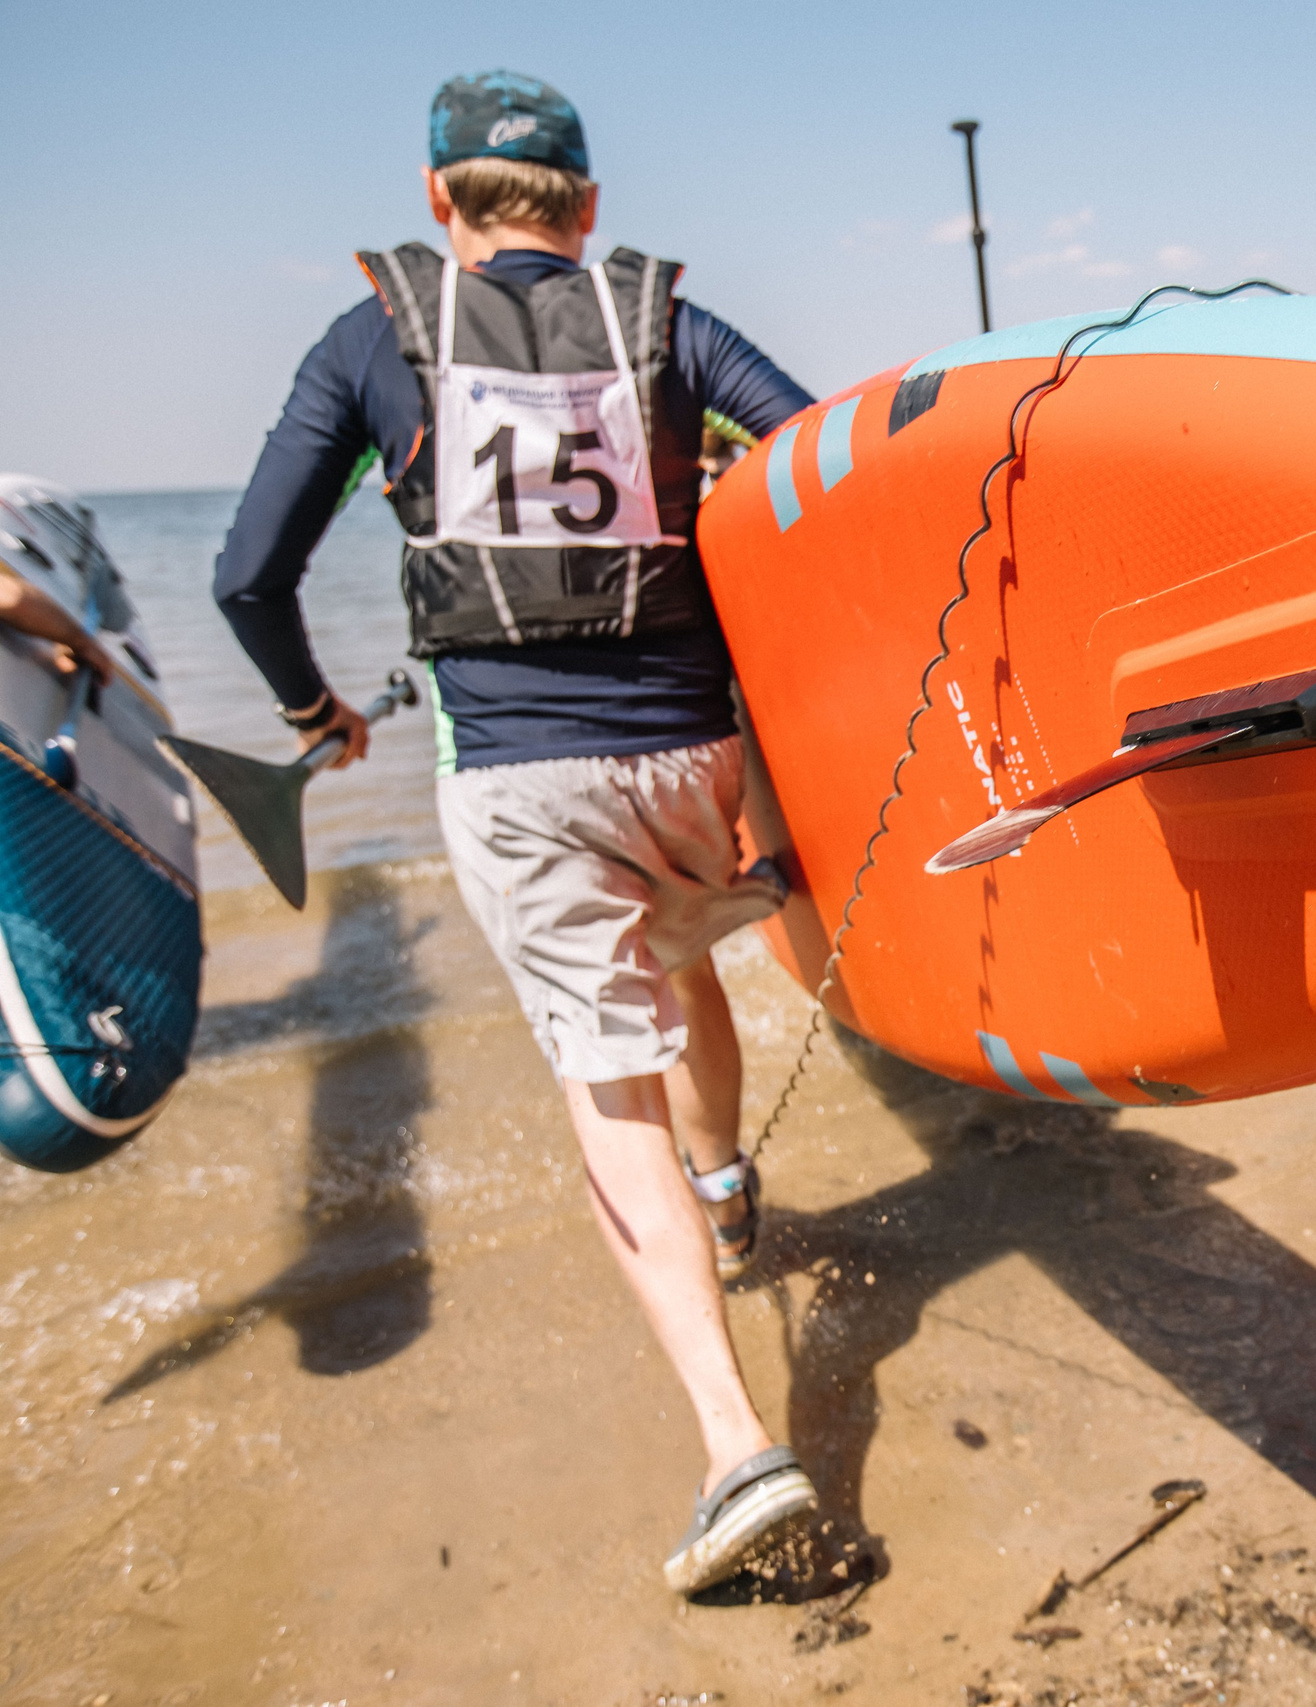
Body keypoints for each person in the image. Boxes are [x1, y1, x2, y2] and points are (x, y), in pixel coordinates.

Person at [212, 71, 821, 1595]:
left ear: (440, 198)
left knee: (607, 1086)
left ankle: (739, 1445)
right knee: (684, 974)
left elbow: (242, 574)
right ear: (588, 207)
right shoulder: (668, 321)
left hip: (519, 782)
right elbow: (814, 451)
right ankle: (733, 1190)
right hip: (697, 763)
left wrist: (309, 717)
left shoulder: (374, 336)